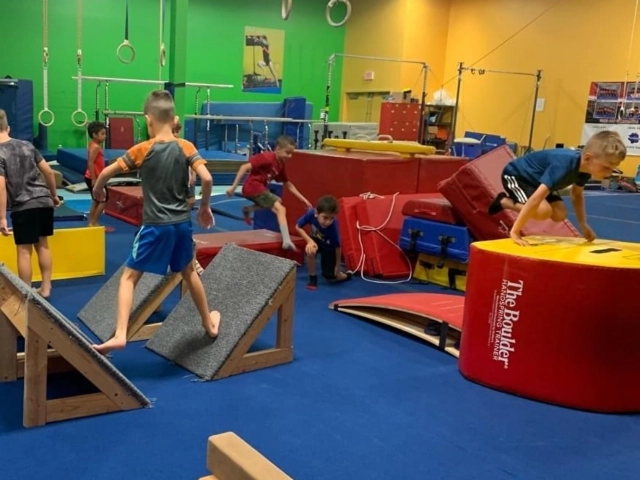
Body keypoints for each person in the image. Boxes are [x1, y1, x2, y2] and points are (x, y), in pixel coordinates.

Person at [90, 90, 220, 355]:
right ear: (173, 120)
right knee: (189, 272)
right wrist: (204, 206)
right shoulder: (186, 146)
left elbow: (104, 173)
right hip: (181, 224)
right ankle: (209, 324)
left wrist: (98, 191)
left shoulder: (142, 149)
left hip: (154, 225)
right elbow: (206, 179)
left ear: (148, 119)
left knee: (129, 278)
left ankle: (121, 334)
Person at [488, 130, 627, 246]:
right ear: (588, 158)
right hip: (518, 175)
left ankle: (510, 203)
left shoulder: (585, 169)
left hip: (538, 179)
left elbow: (576, 195)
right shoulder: (563, 166)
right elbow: (536, 198)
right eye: (606, 167)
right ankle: (504, 202)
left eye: (613, 169)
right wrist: (515, 231)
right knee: (543, 211)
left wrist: (583, 225)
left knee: (560, 214)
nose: (609, 173)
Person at [0, 109, 60, 298]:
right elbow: (49, 172)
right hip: (43, 200)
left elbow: (1, 186)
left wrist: (2, 216)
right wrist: (54, 195)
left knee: (24, 250)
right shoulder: (27, 145)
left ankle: (25, 292)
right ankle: (46, 287)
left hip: (24, 205)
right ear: (7, 127)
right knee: (43, 244)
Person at [226, 135, 311, 251]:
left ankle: (249, 209)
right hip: (253, 187)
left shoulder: (280, 165)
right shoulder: (267, 157)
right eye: (287, 153)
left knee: (278, 201)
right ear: (278, 149)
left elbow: (288, 184)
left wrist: (302, 198)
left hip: (258, 189)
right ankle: (286, 241)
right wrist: (233, 187)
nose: (290, 156)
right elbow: (244, 167)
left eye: (292, 154)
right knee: (281, 209)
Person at [295, 195, 351, 290]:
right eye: (325, 218)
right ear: (316, 213)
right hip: (316, 239)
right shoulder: (311, 214)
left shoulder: (333, 228)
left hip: (329, 247)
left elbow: (338, 247)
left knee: (331, 278)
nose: (328, 222)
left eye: (331, 218)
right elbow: (298, 227)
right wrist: (309, 241)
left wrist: (337, 266)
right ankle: (313, 277)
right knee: (310, 250)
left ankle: (347, 275)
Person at [84, 121, 113, 231]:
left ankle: (92, 223)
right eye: (102, 133)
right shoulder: (95, 147)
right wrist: (94, 179)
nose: (105, 136)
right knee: (103, 200)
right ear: (95, 135)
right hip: (95, 178)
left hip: (94, 176)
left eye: (105, 133)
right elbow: (90, 162)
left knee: (96, 200)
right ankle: (93, 223)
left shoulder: (92, 145)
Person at [173, 119, 196, 210]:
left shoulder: (186, 145)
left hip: (187, 178)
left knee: (191, 200)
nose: (175, 134)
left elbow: (194, 162)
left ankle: (185, 213)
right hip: (174, 180)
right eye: (172, 132)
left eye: (177, 132)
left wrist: (194, 175)